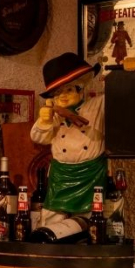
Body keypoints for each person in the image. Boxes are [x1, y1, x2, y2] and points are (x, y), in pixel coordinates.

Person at [29, 52, 104, 223]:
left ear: (80, 89)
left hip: (90, 173)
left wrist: (126, 75)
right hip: (61, 175)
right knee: (51, 218)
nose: (62, 96)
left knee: (90, 219)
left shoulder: (97, 106)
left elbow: (122, 102)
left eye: (68, 90)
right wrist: (44, 121)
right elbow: (38, 138)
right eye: (57, 92)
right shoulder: (54, 115)